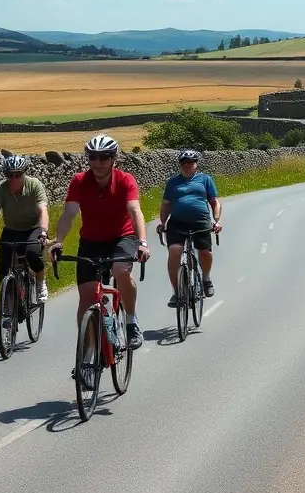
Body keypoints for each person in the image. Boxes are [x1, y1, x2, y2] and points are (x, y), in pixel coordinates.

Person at [50, 134, 150, 350]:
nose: (97, 163)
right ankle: (88, 355)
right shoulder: (79, 181)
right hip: (92, 241)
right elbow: (69, 213)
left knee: (120, 271)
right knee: (86, 300)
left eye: (103, 158)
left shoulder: (125, 180)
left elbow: (134, 210)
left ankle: (132, 321)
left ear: (114, 159)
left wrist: (142, 242)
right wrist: (58, 241)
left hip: (122, 237)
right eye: (92, 158)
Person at [0, 154, 49, 303]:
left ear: (24, 173)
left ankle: (40, 282)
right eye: (10, 175)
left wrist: (43, 232)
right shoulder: (1, 189)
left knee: (32, 254)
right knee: (5, 271)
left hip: (33, 228)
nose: (14, 179)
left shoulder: (34, 185)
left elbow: (42, 210)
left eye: (18, 175)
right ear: (5, 175)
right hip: (11, 230)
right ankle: (9, 308)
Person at [158, 149, 222, 306]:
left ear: (196, 164)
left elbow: (215, 202)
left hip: (200, 220)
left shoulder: (205, 179)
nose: (188, 165)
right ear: (180, 165)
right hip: (178, 222)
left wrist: (216, 221)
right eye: (185, 163)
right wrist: (163, 222)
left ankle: (206, 278)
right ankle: (177, 292)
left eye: (191, 163)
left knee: (205, 252)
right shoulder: (173, 182)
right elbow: (166, 205)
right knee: (174, 251)